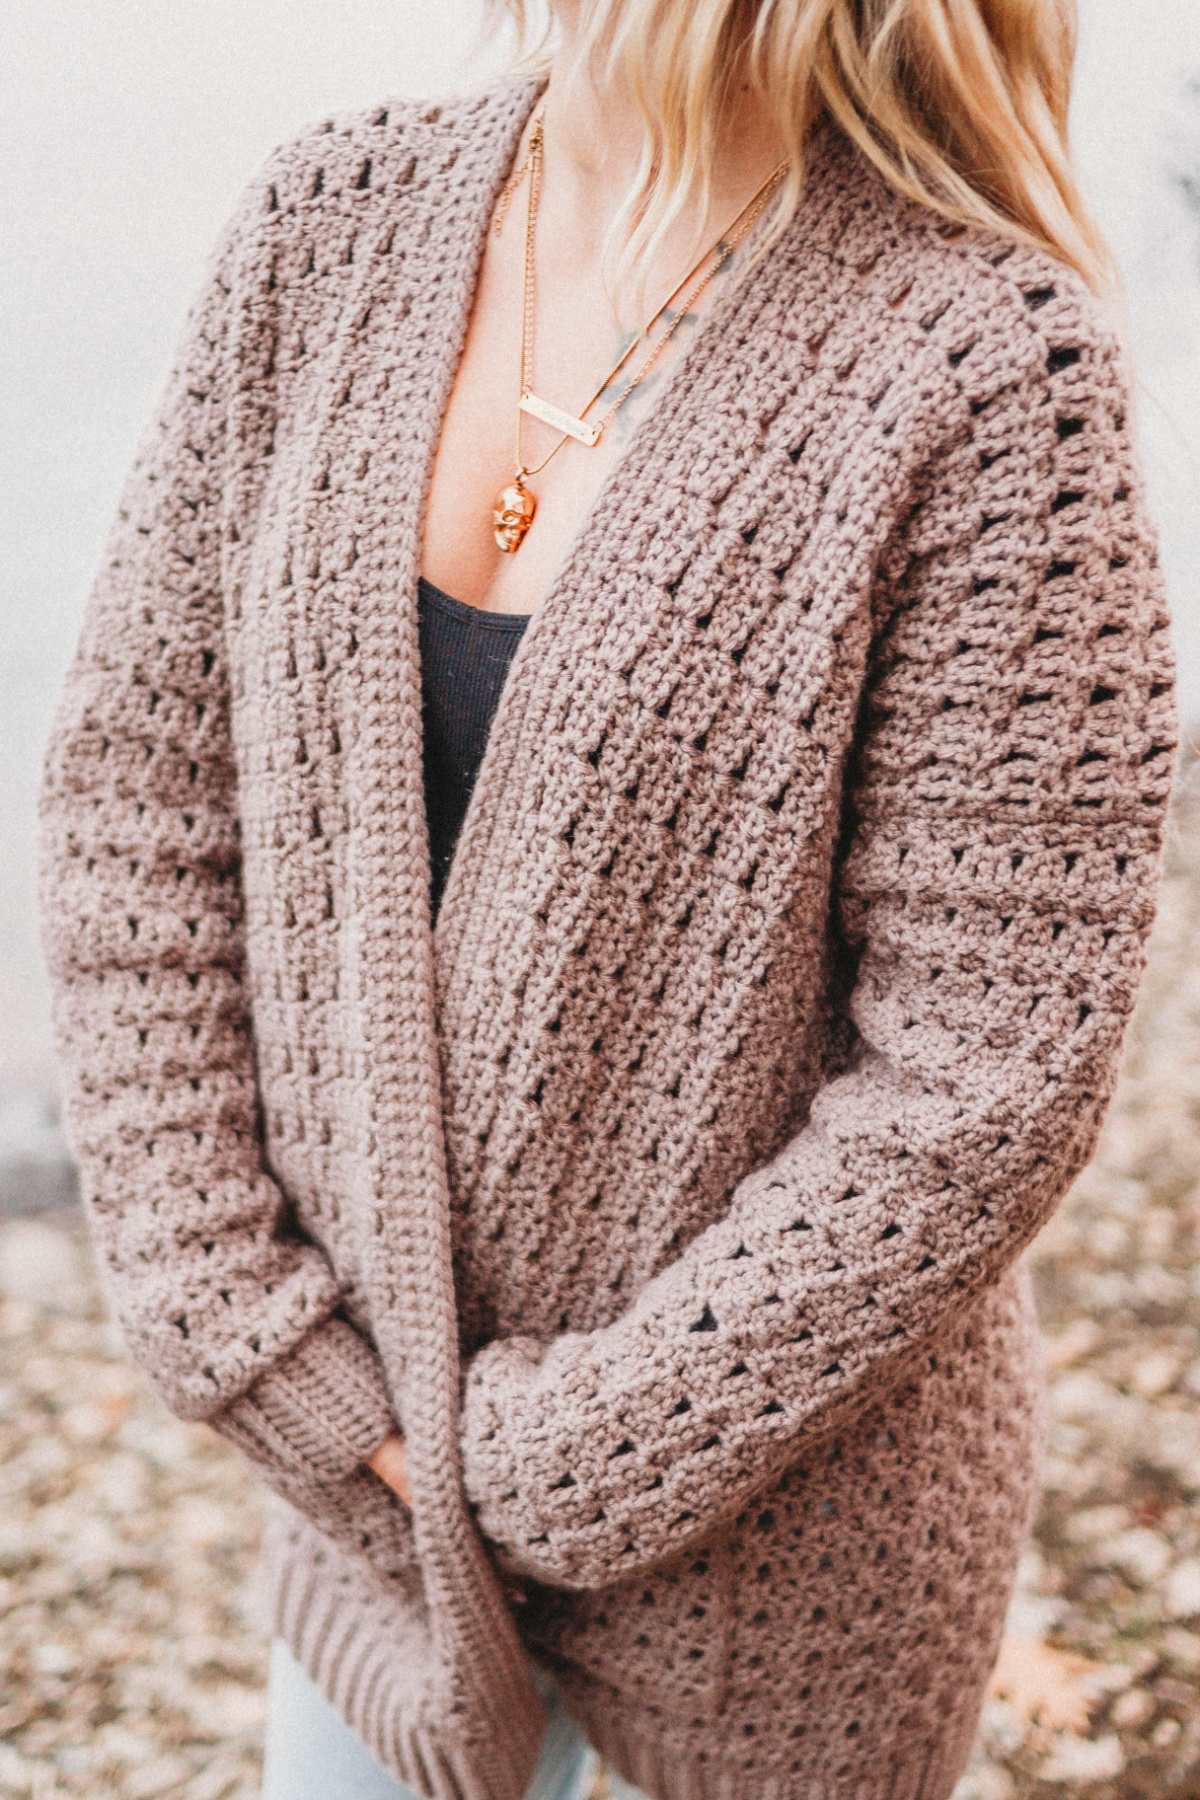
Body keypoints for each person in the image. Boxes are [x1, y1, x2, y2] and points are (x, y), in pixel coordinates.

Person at [39, 1, 1176, 1797]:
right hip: (366, 1517)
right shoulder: (325, 223)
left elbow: (987, 1072)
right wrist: (242, 1321)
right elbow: (142, 793)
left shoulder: (987, 365)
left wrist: (544, 1458)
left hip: (779, 1577)